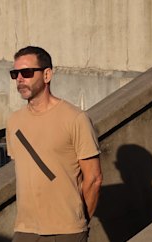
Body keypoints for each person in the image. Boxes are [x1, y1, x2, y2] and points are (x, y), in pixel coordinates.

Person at [6, 46, 101, 241]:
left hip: (66, 231)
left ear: (47, 75)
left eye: (27, 72)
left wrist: (78, 220)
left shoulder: (75, 118)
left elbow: (93, 178)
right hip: (25, 229)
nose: (20, 79)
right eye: (15, 74)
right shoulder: (14, 121)